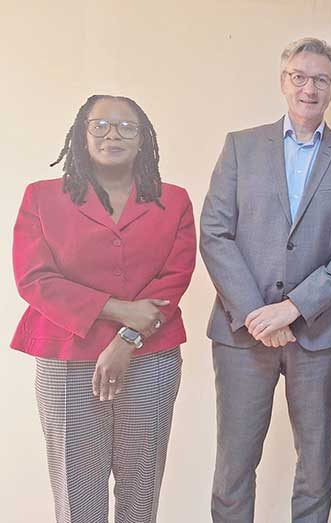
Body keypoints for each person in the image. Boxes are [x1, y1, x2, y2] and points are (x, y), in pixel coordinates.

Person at [200, 37, 331, 522]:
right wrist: (258, 314)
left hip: (317, 334)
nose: (309, 87)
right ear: (283, 81)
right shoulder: (240, 146)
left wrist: (294, 307)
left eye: (321, 79)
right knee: (235, 462)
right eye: (299, 76)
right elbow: (215, 232)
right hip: (242, 332)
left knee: (316, 463)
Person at [11, 94, 196, 523]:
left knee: (141, 487)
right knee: (78, 493)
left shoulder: (174, 200)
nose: (113, 134)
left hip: (150, 358)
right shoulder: (41, 197)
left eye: (127, 127)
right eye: (100, 125)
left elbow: (175, 275)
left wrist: (128, 338)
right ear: (82, 133)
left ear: (143, 139)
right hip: (67, 360)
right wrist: (119, 310)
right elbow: (35, 279)